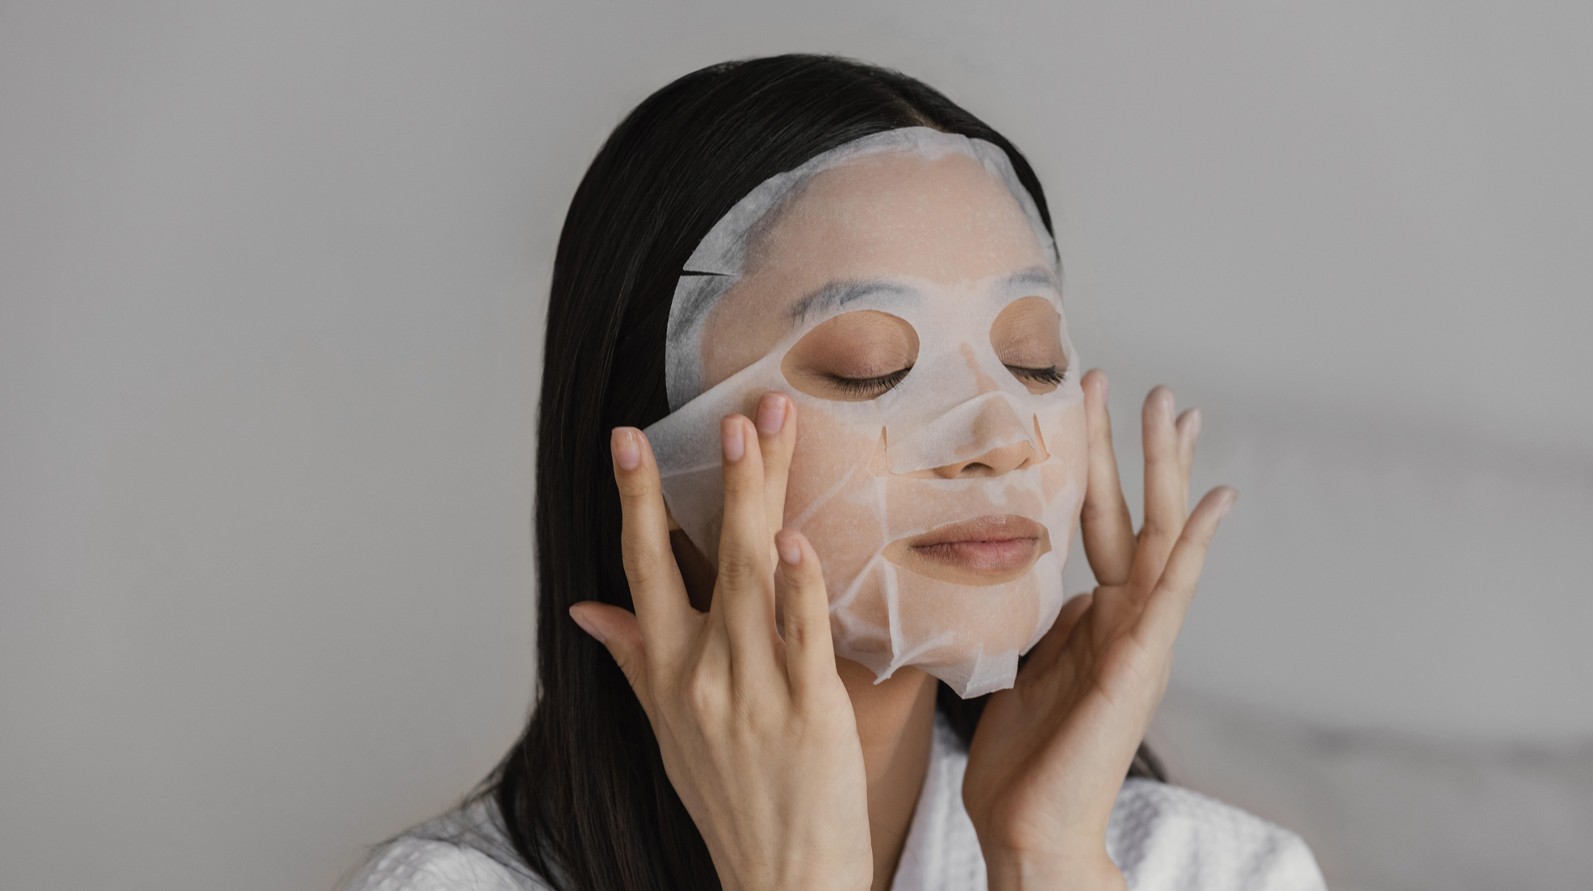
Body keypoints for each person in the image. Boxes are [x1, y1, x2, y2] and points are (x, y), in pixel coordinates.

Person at [333, 53, 1327, 891]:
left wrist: (1048, 860)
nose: (1003, 434)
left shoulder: (1208, 869)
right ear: (652, 446)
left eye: (1034, 361)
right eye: (874, 370)